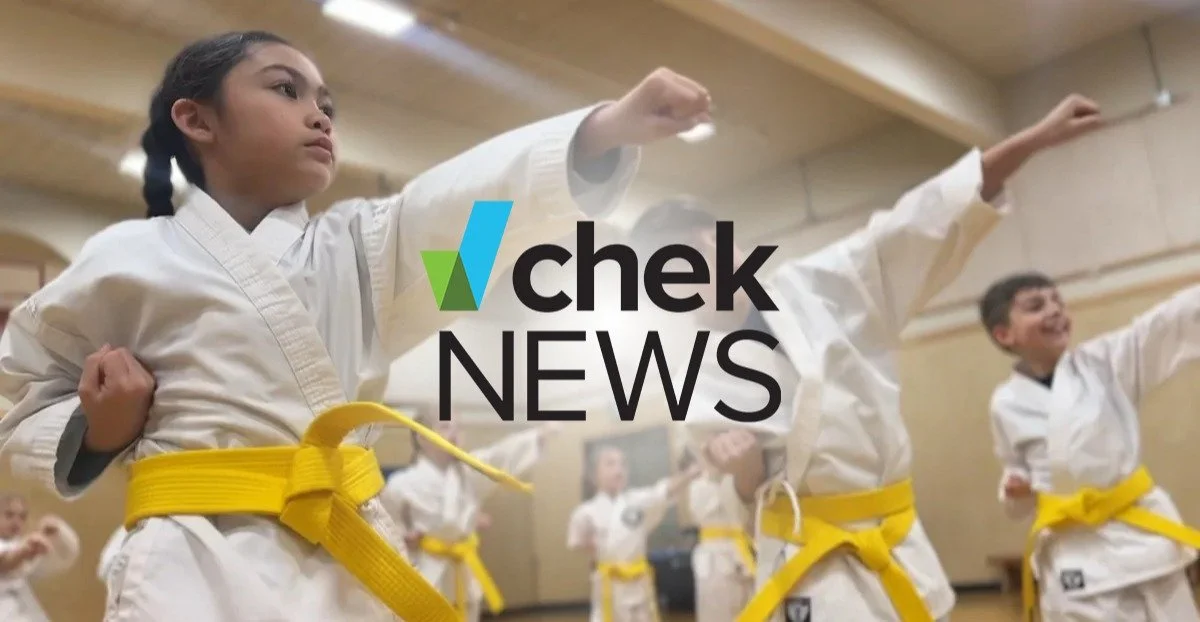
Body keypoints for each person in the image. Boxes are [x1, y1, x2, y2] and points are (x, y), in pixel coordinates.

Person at [0, 29, 712, 621]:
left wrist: (598, 136)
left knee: (470, 246)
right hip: (193, 559)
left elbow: (470, 219)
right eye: (287, 90)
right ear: (198, 120)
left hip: (343, 555)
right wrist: (100, 430)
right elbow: (24, 383)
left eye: (327, 103)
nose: (319, 115)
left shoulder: (364, 251)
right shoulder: (126, 256)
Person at [636, 94, 1107, 622]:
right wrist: (743, 469)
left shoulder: (827, 285)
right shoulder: (694, 380)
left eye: (709, 245)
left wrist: (1032, 140)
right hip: (810, 569)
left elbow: (919, 222)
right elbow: (744, 500)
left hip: (898, 549)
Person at [980, 272, 1200, 621]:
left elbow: (1164, 325)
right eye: (1036, 306)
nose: (1055, 310)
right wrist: (1014, 489)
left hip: (1140, 536)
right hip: (1075, 550)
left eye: (1058, 302)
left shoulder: (1105, 362)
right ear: (1004, 334)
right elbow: (1014, 468)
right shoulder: (1005, 403)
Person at [380, 415, 561, 621]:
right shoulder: (401, 483)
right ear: (422, 437)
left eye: (458, 427)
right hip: (425, 570)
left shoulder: (469, 472)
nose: (455, 433)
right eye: (445, 426)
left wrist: (538, 436)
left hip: (463, 572)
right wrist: (404, 537)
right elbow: (388, 525)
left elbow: (498, 456)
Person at [567, 445, 701, 622]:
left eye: (622, 464)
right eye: (610, 464)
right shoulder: (585, 512)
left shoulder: (637, 501)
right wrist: (599, 554)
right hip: (610, 585)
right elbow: (578, 542)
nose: (618, 470)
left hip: (638, 582)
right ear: (594, 475)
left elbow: (662, 492)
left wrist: (688, 475)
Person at [681, 450, 754, 621]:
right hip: (715, 558)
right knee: (717, 613)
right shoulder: (700, 486)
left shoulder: (742, 480)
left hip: (745, 552)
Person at [0, 493, 80, 622]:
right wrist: (23, 552)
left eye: (22, 517)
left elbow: (65, 557)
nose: (16, 522)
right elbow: (5, 562)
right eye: (9, 515)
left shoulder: (26, 547)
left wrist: (59, 532)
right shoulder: (21, 549)